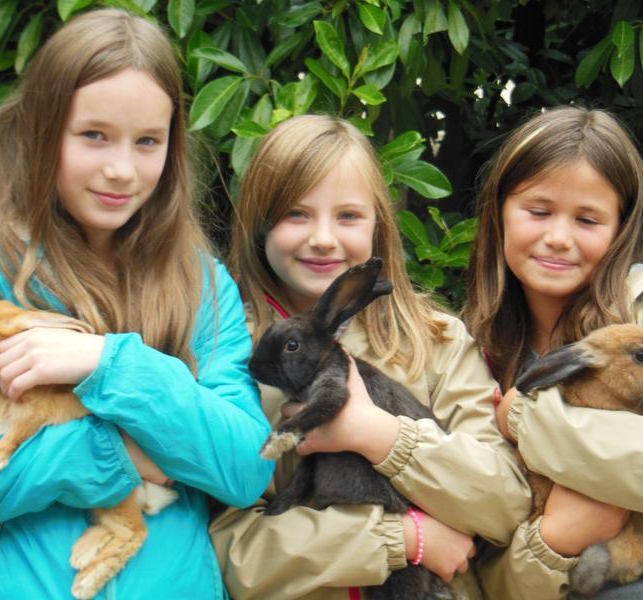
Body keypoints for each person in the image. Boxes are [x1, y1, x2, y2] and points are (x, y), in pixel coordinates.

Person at [0, 9, 273, 599]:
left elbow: (247, 467)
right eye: (94, 135)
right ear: (43, 130)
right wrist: (111, 451)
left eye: (147, 142)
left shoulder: (199, 281)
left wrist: (108, 365)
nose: (121, 170)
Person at [210, 114, 531, 599]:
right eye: (296, 214)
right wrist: (400, 539)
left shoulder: (435, 341)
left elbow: (505, 503)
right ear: (259, 221)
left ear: (379, 223)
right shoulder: (224, 349)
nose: (323, 237)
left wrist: (381, 437)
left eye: (348, 216)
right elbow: (221, 549)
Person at [462, 106, 643, 599]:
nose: (559, 237)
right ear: (499, 210)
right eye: (538, 211)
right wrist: (554, 541)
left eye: (587, 219)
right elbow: (480, 542)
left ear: (620, 227)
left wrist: (523, 418)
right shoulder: (474, 347)